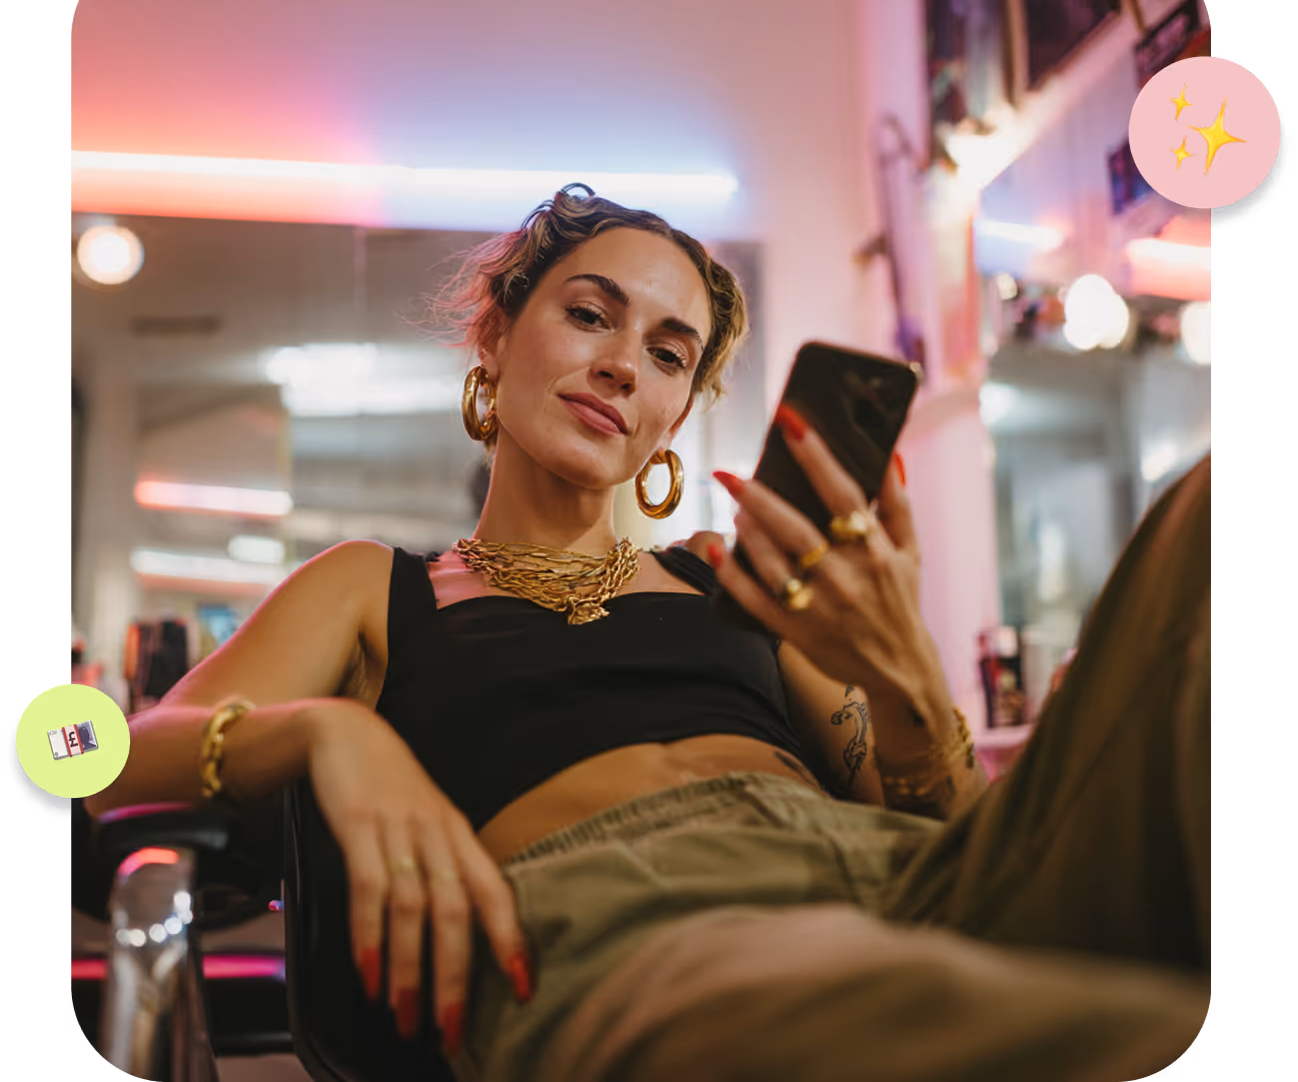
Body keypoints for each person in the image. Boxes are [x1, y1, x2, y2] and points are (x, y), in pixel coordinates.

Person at [86, 185, 1210, 1082]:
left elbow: (961, 832)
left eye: (669, 353)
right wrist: (328, 734)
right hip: (638, 927)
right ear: (495, 333)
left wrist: (910, 679)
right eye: (588, 314)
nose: (626, 363)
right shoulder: (372, 589)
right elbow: (78, 758)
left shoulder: (732, 579)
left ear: (674, 415)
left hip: (907, 877)